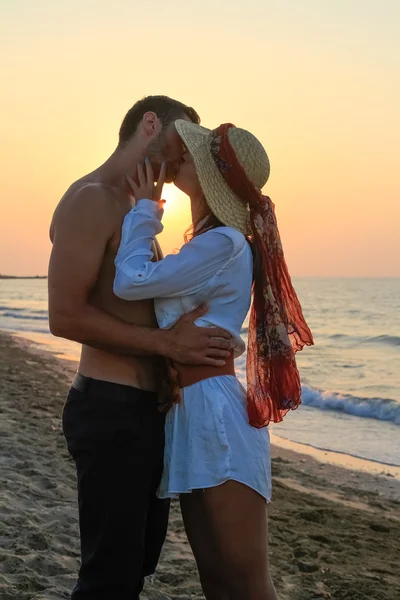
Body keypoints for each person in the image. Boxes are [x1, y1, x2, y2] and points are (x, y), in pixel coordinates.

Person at [113, 120, 314, 600]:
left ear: (212, 178)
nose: (181, 155)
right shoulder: (207, 242)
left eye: (195, 156)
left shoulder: (223, 243)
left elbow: (131, 282)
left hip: (218, 417)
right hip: (193, 409)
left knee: (245, 580)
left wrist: (145, 211)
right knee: (216, 578)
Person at [48, 96, 233, 600]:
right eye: (183, 140)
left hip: (144, 413)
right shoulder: (95, 198)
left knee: (136, 566)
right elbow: (64, 315)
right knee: (109, 578)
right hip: (109, 409)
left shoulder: (137, 207)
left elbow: (138, 301)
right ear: (151, 124)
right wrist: (166, 342)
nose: (185, 156)